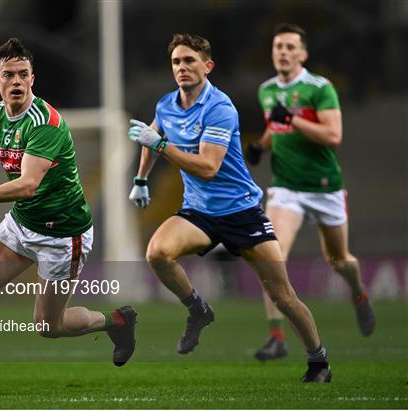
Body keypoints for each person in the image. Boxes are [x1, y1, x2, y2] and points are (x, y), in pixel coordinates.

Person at [0, 38, 137, 395]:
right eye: (8, 75)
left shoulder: (46, 123)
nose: (16, 81)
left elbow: (27, 185)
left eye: (23, 74)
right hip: (21, 224)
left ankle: (117, 320)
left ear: (33, 79)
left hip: (63, 235)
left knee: (49, 326)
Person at [127, 33, 331, 382]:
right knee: (157, 253)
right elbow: (152, 134)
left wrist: (160, 146)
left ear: (208, 66)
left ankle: (318, 361)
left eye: (189, 60)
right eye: (176, 61)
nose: (182, 67)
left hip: (241, 213)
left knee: (282, 295)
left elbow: (208, 167)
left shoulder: (219, 107)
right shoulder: (166, 104)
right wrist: (142, 179)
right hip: (199, 212)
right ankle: (198, 309)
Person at [246, 23, 375, 362]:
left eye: (290, 47)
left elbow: (333, 136)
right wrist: (261, 145)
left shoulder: (320, 88)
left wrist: (292, 119)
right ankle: (276, 336)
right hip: (286, 188)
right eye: (278, 47)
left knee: (339, 260)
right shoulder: (267, 90)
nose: (283, 52)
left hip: (324, 187)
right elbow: (277, 125)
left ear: (303, 53)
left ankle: (358, 292)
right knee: (270, 256)